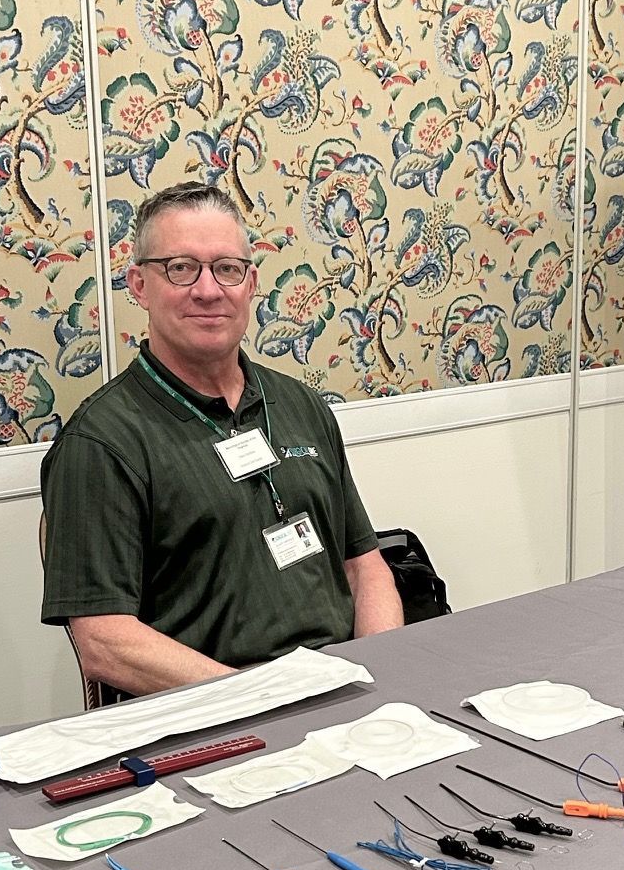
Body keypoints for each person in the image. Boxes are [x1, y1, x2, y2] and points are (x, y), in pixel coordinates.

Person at [40, 181, 403, 696]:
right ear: (139, 285)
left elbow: (364, 566)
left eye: (226, 269)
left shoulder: (300, 406)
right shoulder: (101, 443)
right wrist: (260, 699)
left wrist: (375, 675)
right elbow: (105, 642)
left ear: (250, 283)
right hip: (215, 710)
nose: (208, 291)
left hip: (340, 687)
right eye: (181, 268)